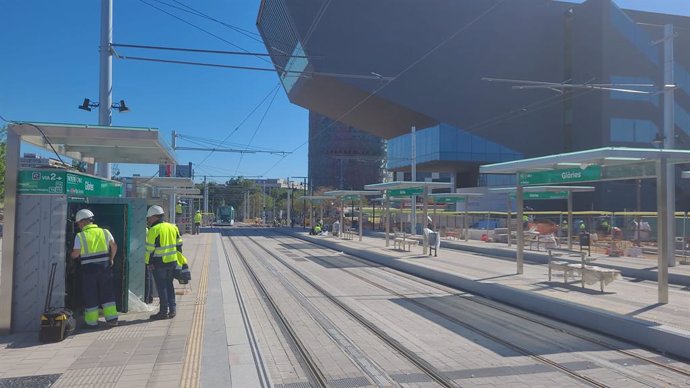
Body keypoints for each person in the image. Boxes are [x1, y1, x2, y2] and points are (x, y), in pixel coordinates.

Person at [70, 209, 118, 329]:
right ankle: (112, 319)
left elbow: (76, 253)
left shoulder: (80, 236)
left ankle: (91, 323)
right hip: (104, 267)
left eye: (78, 224)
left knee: (90, 294)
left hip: (89, 269)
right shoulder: (105, 232)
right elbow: (114, 246)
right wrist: (111, 259)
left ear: (82, 222)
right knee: (107, 292)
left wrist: (69, 256)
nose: (78, 226)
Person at [146, 205, 183, 320]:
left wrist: (148, 262)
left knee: (162, 287)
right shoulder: (173, 227)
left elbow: (149, 249)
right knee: (169, 285)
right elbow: (179, 245)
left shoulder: (154, 230)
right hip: (172, 262)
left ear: (154, 217)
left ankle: (163, 312)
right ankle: (172, 310)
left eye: (149, 218)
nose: (149, 220)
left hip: (159, 263)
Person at [144, 226, 153, 304]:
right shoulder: (147, 230)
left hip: (145, 258)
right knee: (149, 277)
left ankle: (147, 298)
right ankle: (149, 297)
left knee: (147, 278)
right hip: (147, 257)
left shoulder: (145, 230)